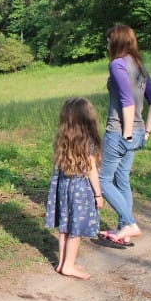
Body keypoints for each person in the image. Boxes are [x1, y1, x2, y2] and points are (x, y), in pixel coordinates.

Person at [99, 24, 151, 246]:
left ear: (117, 41)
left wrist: (125, 133)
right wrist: (147, 131)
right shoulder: (139, 66)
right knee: (121, 178)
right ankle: (124, 227)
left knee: (102, 180)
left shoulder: (117, 64)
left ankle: (129, 223)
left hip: (119, 132)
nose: (107, 44)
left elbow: (127, 100)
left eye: (108, 40)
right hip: (138, 132)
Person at [45, 97, 104, 280]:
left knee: (65, 227)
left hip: (63, 186)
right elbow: (91, 170)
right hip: (81, 188)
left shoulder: (62, 139)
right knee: (75, 229)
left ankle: (62, 263)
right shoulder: (89, 141)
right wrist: (98, 194)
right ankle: (69, 266)